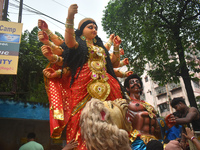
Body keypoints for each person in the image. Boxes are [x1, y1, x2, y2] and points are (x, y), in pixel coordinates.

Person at [37, 3, 132, 150]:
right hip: (83, 82)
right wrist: (70, 16)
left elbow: (112, 63)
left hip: (108, 82)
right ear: (81, 31)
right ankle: (80, 145)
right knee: (79, 115)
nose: (94, 29)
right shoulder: (78, 45)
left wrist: (117, 46)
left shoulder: (101, 47)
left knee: (114, 114)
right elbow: (68, 42)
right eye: (90, 27)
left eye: (95, 28)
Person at [124, 74, 163, 150]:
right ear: (127, 88)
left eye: (137, 82)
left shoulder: (148, 105)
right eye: (132, 82)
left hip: (154, 141)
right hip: (137, 141)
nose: (135, 83)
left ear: (141, 88)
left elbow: (157, 127)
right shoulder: (126, 103)